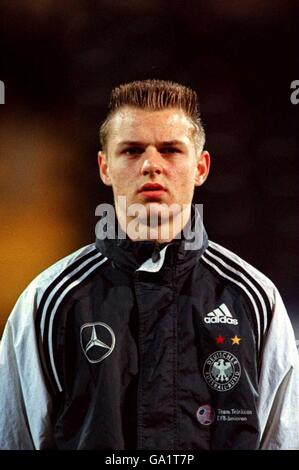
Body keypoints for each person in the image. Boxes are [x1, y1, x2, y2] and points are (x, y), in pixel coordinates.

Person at [0, 79, 298, 450]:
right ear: (104, 166)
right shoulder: (47, 302)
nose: (151, 165)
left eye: (171, 150)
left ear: (201, 167)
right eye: (132, 150)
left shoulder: (256, 300)